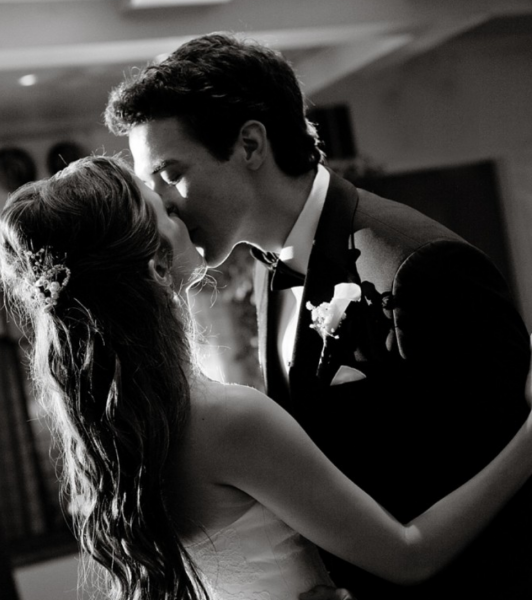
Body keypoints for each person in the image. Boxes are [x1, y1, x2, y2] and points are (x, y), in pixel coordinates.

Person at [104, 33, 532, 599]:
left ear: (250, 145)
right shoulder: (268, 266)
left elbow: (511, 498)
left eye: (171, 173)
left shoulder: (418, 267)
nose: (165, 204)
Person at [0, 155, 532, 600]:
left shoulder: (121, 422)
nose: (180, 205)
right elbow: (410, 555)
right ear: (154, 267)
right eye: (165, 211)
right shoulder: (225, 418)